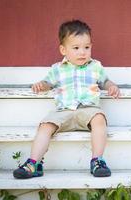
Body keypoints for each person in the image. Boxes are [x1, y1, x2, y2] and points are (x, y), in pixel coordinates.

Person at [13, 19, 120, 179]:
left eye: (87, 47)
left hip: (88, 109)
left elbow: (104, 81)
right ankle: (34, 163)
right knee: (45, 126)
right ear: (63, 50)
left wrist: (111, 86)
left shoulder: (95, 66)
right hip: (63, 110)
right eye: (76, 48)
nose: (82, 52)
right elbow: (48, 83)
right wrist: (42, 85)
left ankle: (97, 161)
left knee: (99, 119)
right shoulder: (58, 69)